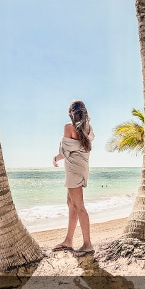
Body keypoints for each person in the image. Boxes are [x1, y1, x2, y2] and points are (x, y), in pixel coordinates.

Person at [52, 99, 94, 256]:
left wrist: (55, 159)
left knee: (79, 206)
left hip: (73, 171)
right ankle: (68, 241)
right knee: (71, 203)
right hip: (82, 169)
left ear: (71, 113)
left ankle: (87, 244)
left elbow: (64, 152)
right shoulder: (88, 128)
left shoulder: (68, 127)